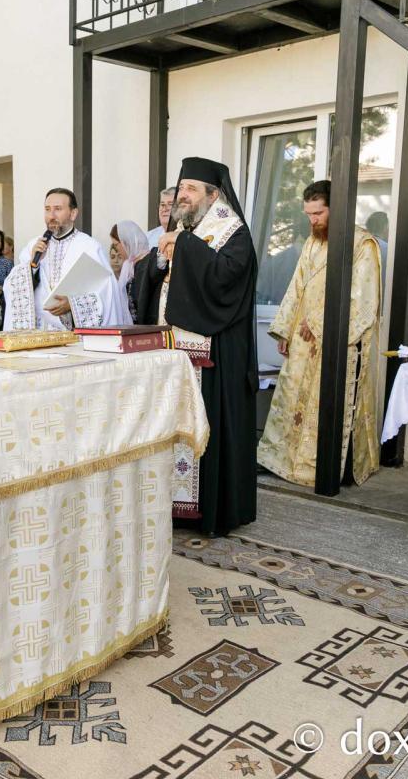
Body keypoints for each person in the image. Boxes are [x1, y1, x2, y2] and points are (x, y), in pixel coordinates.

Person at [131, 158, 258, 536]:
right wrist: (158, 260)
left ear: (213, 195)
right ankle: (170, 505)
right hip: (172, 352)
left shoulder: (233, 234)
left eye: (190, 189)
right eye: (181, 187)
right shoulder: (182, 229)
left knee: (209, 429)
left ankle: (210, 511)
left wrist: (183, 246)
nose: (181, 196)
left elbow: (226, 280)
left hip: (215, 357)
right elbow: (151, 279)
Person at [258, 180, 382, 488]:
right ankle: (282, 462)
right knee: (291, 400)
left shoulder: (362, 244)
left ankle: (326, 469)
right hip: (303, 342)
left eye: (319, 213)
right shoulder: (314, 242)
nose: (313, 221)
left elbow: (363, 299)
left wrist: (318, 323)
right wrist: (286, 328)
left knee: (327, 407)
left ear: (336, 208)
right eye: (309, 214)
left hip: (335, 344)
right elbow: (297, 286)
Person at [3, 188, 126, 331]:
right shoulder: (33, 246)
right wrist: (32, 266)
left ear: (73, 214)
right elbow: (13, 288)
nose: (51, 215)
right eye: (47, 209)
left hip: (74, 334)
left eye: (58, 209)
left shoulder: (90, 247)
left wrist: (72, 305)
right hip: (39, 331)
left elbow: (107, 293)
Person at [110, 220, 147, 325]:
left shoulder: (147, 262)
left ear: (126, 241)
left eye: (117, 245)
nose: (117, 250)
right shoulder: (128, 265)